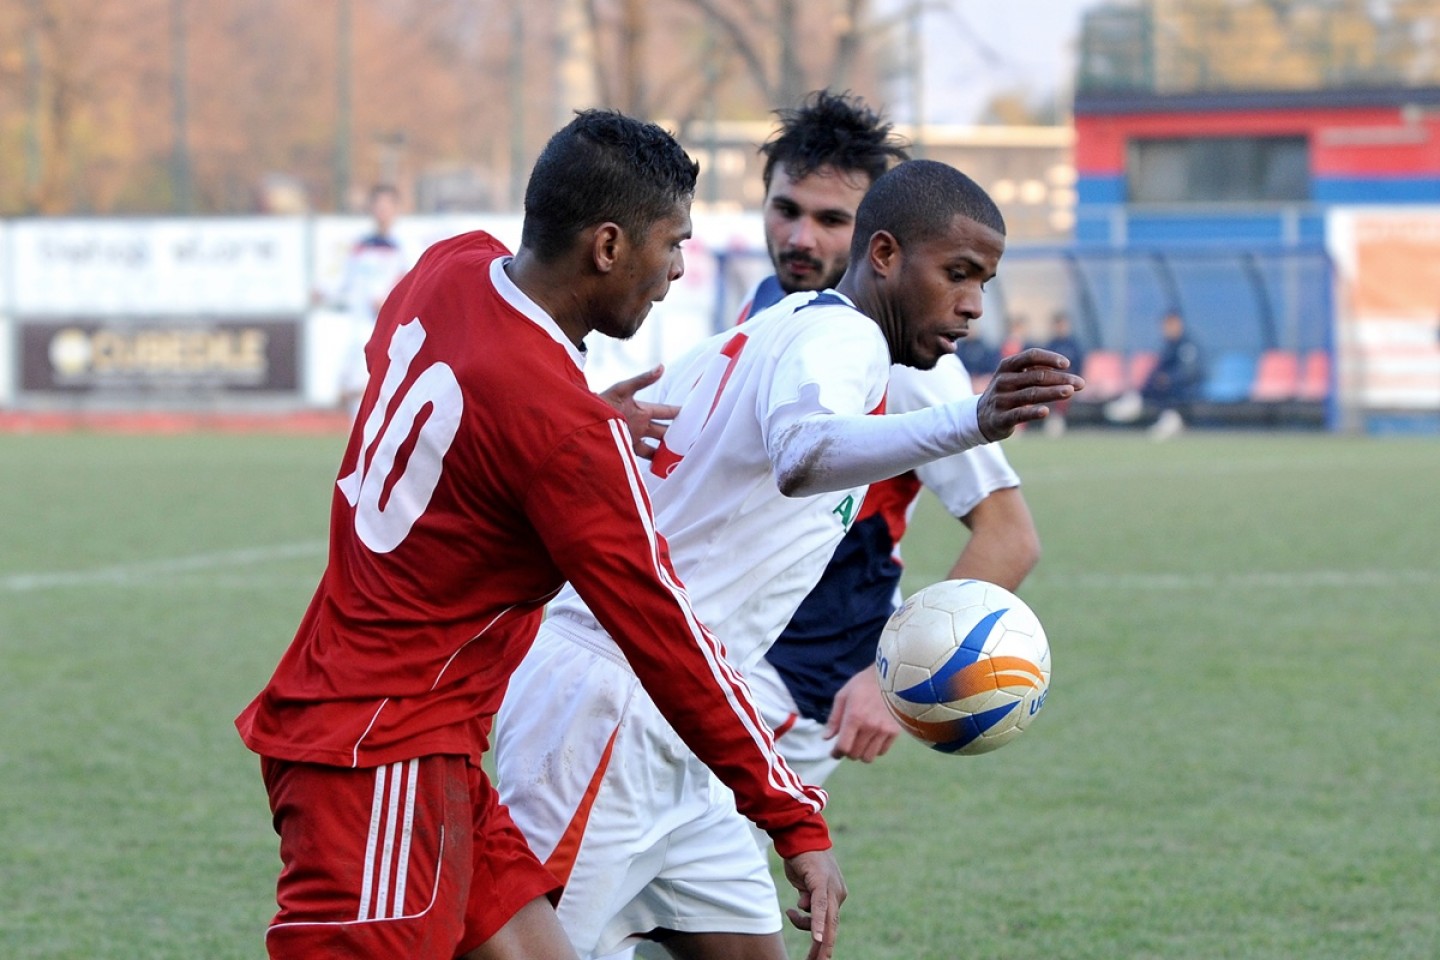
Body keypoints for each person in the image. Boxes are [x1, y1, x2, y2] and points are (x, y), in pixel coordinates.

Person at [234, 109, 847, 960]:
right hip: (376, 761)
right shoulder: (561, 437)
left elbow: (439, 384)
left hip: (428, 750)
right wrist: (793, 820)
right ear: (607, 246)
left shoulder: (448, 266)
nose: (675, 271)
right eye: (671, 244)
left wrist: (566, 423)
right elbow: (666, 636)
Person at [493, 158, 1082, 960]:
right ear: (883, 256)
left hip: (688, 718)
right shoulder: (844, 339)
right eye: (958, 274)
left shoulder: (780, 326)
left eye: (984, 280)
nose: (975, 305)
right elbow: (803, 453)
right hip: (610, 705)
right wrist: (969, 419)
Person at [738, 90, 1043, 795]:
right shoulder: (771, 308)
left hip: (803, 682)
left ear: (879, 238)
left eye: (831, 219)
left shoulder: (901, 357)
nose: (800, 239)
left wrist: (895, 676)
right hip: (729, 654)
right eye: (786, 210)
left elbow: (1009, 536)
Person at [328, 183, 408, 416]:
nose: (382, 210)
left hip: (393, 329)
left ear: (396, 209)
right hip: (362, 326)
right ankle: (361, 446)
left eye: (387, 205)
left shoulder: (404, 246)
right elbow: (344, 282)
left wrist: (390, 300)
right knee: (356, 387)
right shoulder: (360, 246)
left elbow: (411, 282)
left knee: (386, 390)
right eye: (378, 205)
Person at [1105, 309, 1205, 440]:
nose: (1167, 329)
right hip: (1165, 388)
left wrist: (1170, 378)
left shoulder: (1187, 346)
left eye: (1170, 325)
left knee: (1166, 383)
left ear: (1179, 324)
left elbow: (1190, 372)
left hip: (1186, 389)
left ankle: (1172, 417)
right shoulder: (1169, 346)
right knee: (1156, 379)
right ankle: (1137, 401)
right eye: (1165, 326)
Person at [1032, 309, 1085, 436]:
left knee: (1065, 388)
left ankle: (1057, 418)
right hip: (1052, 379)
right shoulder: (1051, 344)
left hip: (1070, 380)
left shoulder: (1074, 344)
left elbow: (1079, 365)